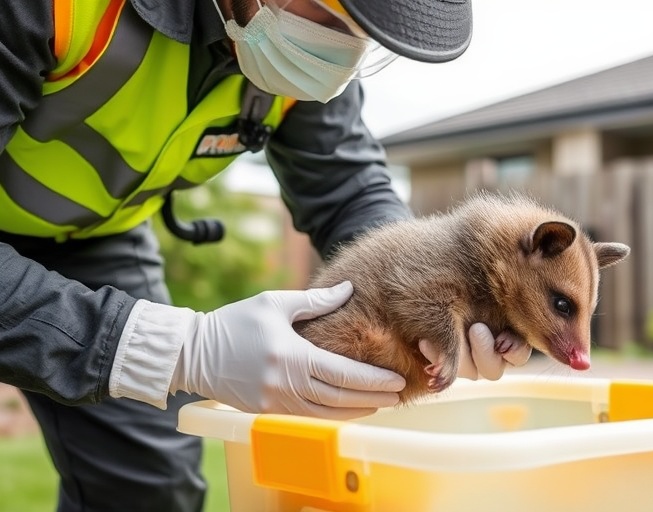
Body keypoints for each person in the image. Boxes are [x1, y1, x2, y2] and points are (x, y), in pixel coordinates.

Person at [0, 0, 532, 510]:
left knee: (152, 483)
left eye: (365, 36)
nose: (340, 51)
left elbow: (346, 186)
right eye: (332, 14)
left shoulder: (299, 56)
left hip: (97, 235)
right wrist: (180, 349)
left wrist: (427, 290)